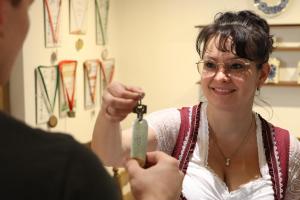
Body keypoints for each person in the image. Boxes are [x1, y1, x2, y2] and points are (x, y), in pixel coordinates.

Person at [92, 10, 300, 200]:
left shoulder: (287, 149)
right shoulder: (174, 126)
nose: (220, 77)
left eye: (236, 66)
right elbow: (108, 154)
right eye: (210, 64)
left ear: (262, 75)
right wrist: (108, 115)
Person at [0, 0, 183, 199]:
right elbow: (110, 153)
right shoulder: (67, 171)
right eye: (28, 8)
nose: (221, 76)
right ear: (2, 13)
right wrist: (158, 197)